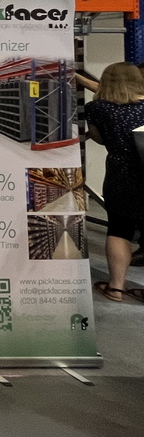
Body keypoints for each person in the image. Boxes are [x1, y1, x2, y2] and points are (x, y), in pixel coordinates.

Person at [85, 61, 144, 302]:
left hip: (120, 174)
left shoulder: (97, 108)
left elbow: (99, 139)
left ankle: (116, 288)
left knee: (120, 229)